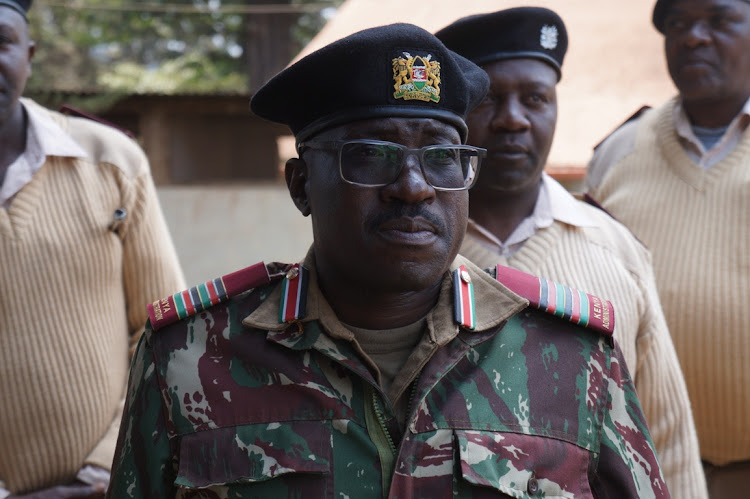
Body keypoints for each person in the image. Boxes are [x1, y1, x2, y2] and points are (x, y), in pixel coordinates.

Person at [107, 23, 668, 498]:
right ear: (301, 184)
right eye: (372, 155)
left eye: (442, 156)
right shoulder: (187, 355)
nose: (414, 187)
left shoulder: (570, 356)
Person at [435, 7, 707, 498]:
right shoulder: (411, 255)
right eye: (491, 99)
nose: (514, 118)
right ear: (453, 117)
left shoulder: (615, 249)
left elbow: (667, 441)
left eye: (535, 98)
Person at [0, 1, 186, 497]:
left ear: (29, 54)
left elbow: (167, 335)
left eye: (1, 42)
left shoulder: (111, 162)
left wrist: (104, 471)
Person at [585, 0, 750, 495]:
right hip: (648, 470)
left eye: (718, 21)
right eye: (678, 24)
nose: (694, 37)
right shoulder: (619, 150)